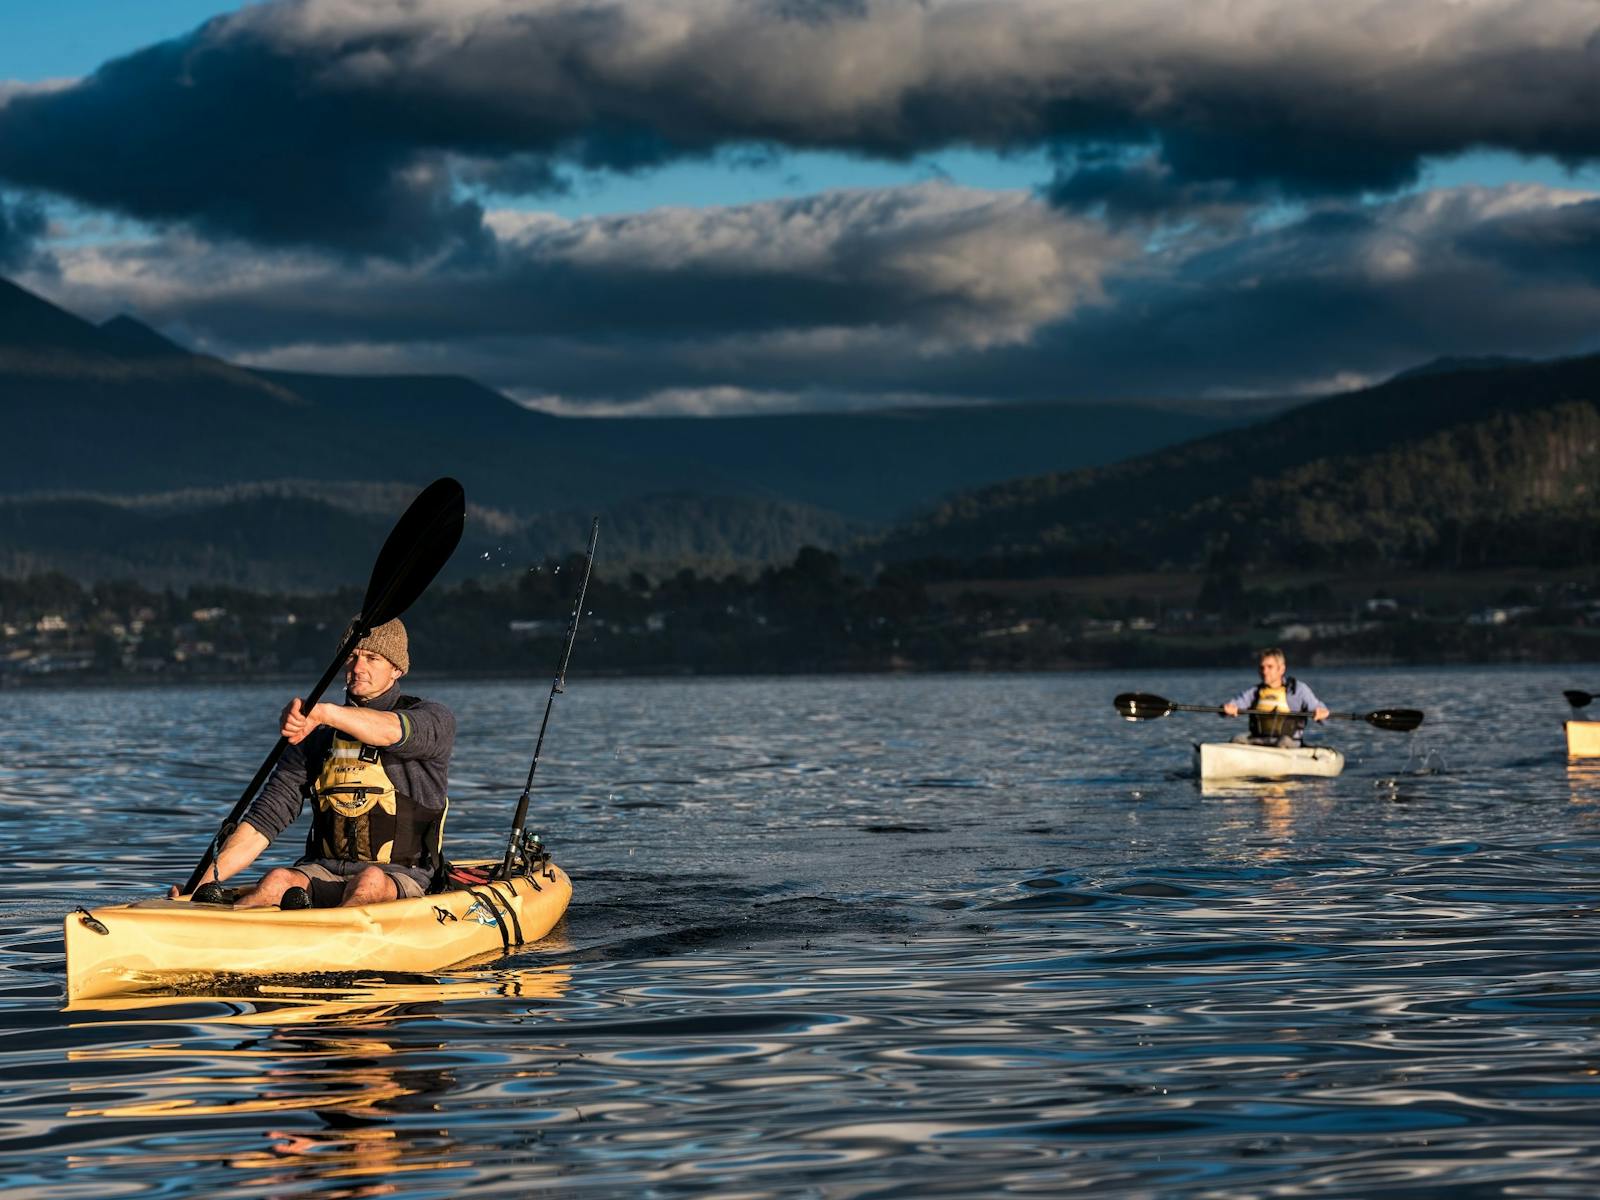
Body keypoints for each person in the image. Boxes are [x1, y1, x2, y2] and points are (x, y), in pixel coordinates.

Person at [173, 619, 455, 908]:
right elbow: (262, 822)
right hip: (322, 871)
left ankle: (338, 939)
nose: (358, 668)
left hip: (401, 876)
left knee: (369, 881)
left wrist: (321, 713)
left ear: (397, 669)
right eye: (351, 656)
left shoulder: (432, 719)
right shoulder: (317, 738)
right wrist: (200, 886)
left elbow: (390, 731)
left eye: (372, 658)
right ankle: (231, 927)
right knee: (277, 880)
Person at [1221, 647, 1330, 747]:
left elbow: (1319, 709)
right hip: (1259, 741)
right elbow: (1234, 705)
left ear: (1281, 669)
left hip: (1289, 743)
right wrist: (1227, 709)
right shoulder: (1255, 692)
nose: (1264, 671)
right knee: (1237, 739)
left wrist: (1322, 713)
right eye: (1261, 667)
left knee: (1283, 742)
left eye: (1270, 667)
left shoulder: (1298, 690)